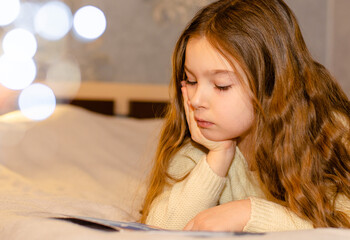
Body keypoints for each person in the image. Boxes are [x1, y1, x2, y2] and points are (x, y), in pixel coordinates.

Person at [140, 0, 350, 232]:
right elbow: (158, 229)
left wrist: (248, 212)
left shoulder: (327, 133)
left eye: (221, 86)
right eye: (191, 80)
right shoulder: (197, 143)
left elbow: (342, 222)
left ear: (272, 85)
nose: (196, 100)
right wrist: (217, 160)